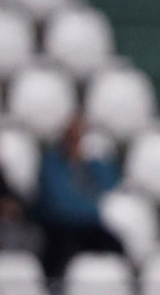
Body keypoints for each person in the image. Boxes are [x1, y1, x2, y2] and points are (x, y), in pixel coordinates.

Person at [34, 115, 125, 279]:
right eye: (74, 138)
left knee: (115, 246)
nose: (77, 143)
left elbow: (110, 185)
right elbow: (59, 202)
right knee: (57, 250)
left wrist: (89, 162)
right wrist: (90, 207)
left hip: (88, 225)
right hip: (60, 225)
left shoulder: (92, 164)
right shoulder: (52, 163)